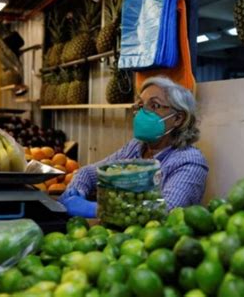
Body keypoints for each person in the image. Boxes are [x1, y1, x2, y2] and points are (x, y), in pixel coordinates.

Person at [58, 76, 209, 217]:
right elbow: (90, 173)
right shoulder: (136, 147)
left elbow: (165, 210)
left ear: (178, 118)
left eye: (154, 105)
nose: (143, 113)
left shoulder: (189, 161)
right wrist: (77, 190)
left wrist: (97, 209)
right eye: (141, 105)